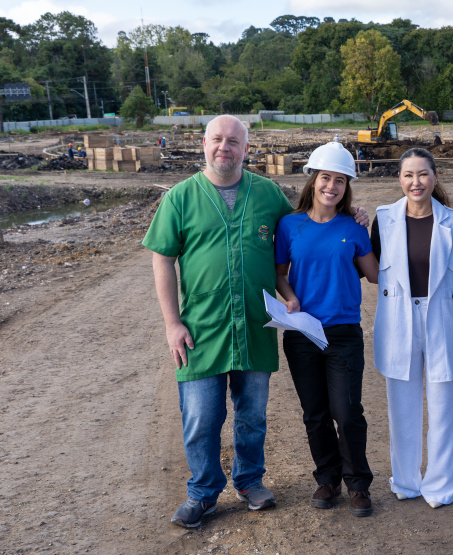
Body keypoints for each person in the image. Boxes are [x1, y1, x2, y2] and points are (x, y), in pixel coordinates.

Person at [144, 115, 291, 528]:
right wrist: (172, 323)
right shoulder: (180, 198)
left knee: (253, 415)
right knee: (201, 418)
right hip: (201, 330)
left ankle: (249, 481)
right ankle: (203, 493)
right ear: (203, 144)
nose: (224, 147)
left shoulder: (268, 195)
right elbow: (163, 261)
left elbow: (307, 224)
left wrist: (353, 212)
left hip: (255, 325)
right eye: (217, 140)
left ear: (247, 148)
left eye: (233, 141)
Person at [274, 141, 379, 517]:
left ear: (346, 186)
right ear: (312, 180)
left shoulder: (353, 226)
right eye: (325, 178)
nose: (331, 186)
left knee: (347, 411)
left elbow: (374, 274)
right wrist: (290, 298)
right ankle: (327, 478)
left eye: (339, 180)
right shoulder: (289, 225)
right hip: (301, 332)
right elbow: (281, 275)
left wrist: (373, 226)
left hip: (343, 333)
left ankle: (358, 484)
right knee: (315, 412)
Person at [370, 148, 453, 510]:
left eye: (422, 174)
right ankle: (405, 480)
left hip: (441, 318)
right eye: (408, 175)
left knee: (445, 408)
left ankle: (441, 485)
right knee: (402, 408)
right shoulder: (382, 220)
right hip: (398, 319)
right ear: (399, 179)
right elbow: (367, 263)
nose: (415, 182)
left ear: (434, 177)